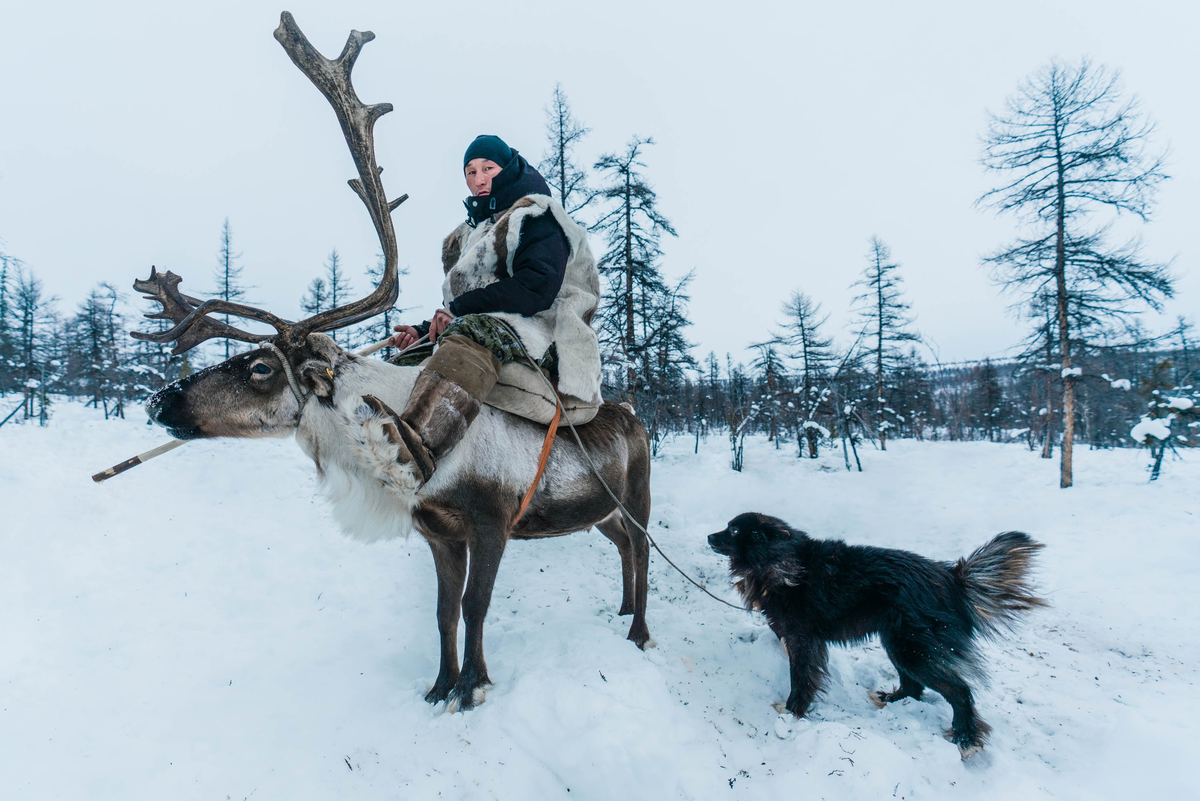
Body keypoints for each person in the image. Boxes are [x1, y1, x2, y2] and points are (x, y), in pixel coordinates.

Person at [379, 134, 602, 487]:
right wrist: (423, 333)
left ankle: (418, 452)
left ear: (508, 168)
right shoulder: (477, 231)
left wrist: (459, 312)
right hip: (491, 322)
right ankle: (371, 443)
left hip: (548, 327)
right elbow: (472, 301)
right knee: (406, 361)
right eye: (470, 171)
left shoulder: (539, 216)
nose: (479, 179)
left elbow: (536, 288)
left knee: (468, 334)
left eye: (488, 168)